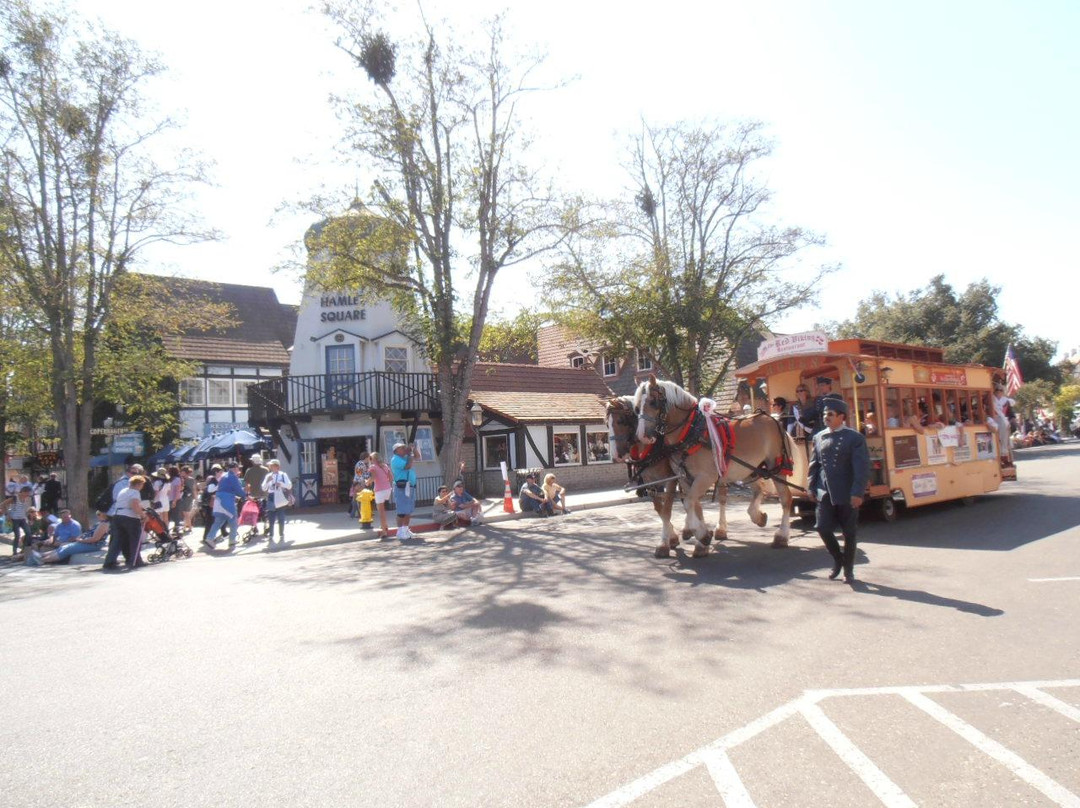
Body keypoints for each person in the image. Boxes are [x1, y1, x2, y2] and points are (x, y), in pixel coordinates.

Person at [807, 399, 870, 583]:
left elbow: (861, 468)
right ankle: (838, 559)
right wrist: (811, 486)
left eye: (830, 414)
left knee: (849, 532)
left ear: (841, 417)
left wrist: (858, 492)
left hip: (847, 491)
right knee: (822, 527)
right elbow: (814, 465)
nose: (826, 417)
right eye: (825, 414)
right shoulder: (819, 437)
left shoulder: (855, 438)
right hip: (825, 492)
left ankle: (848, 570)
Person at [104, 475, 147, 571]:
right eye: (142, 485)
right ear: (139, 484)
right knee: (134, 540)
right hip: (130, 517)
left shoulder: (123, 491)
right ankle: (135, 560)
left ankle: (109, 562)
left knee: (117, 540)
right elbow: (134, 505)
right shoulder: (135, 492)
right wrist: (143, 515)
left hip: (117, 516)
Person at [40, 511, 110, 564]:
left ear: (104, 515)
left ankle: (42, 560)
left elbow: (95, 539)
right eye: (97, 513)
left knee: (67, 548)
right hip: (85, 542)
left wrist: (80, 540)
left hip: (93, 545)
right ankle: (41, 556)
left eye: (99, 514)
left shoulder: (104, 525)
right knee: (64, 547)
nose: (97, 515)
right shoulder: (100, 523)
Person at [206, 462, 245, 550]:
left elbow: (223, 488)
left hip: (218, 500)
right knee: (233, 521)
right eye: (238, 468)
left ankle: (210, 538)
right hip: (227, 501)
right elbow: (238, 489)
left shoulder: (223, 476)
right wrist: (245, 495)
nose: (238, 470)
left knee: (218, 521)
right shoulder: (232, 477)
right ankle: (232, 541)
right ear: (235, 468)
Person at [390, 442, 419, 540]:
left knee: (408, 510)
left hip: (409, 485)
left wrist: (413, 449)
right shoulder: (395, 459)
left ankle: (405, 529)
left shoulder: (405, 457)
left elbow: (418, 456)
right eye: (402, 448)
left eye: (404, 447)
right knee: (402, 510)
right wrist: (410, 453)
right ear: (396, 451)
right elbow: (408, 466)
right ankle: (400, 531)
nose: (404, 449)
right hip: (402, 487)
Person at [260, 458, 292, 543]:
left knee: (281, 517)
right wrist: (267, 481)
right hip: (271, 496)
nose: (271, 467)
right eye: (270, 466)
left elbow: (289, 486)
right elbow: (263, 488)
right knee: (271, 517)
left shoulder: (283, 475)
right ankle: (271, 535)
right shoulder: (268, 476)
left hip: (280, 496)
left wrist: (281, 484)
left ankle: (281, 533)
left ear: (277, 467)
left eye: (272, 466)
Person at [366, 451, 393, 539]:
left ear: (373, 459)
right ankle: (384, 525)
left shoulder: (373, 467)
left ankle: (384, 531)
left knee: (381, 512)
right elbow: (391, 477)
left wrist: (367, 482)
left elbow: (373, 477)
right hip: (387, 489)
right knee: (383, 509)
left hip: (379, 490)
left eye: (370, 458)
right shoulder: (385, 466)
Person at [243, 454, 270, 535]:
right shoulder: (266, 470)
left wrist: (246, 494)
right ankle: (266, 526)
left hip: (253, 495)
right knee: (265, 512)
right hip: (264, 494)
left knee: (254, 513)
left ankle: (255, 528)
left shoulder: (249, 471)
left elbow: (247, 484)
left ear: (253, 461)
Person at [179, 466, 196, 533]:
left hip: (184, 497)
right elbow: (194, 489)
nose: (180, 473)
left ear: (184, 472)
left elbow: (181, 489)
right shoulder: (192, 479)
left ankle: (189, 527)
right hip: (190, 497)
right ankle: (187, 527)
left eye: (182, 472)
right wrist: (195, 497)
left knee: (185, 513)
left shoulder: (182, 480)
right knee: (186, 512)